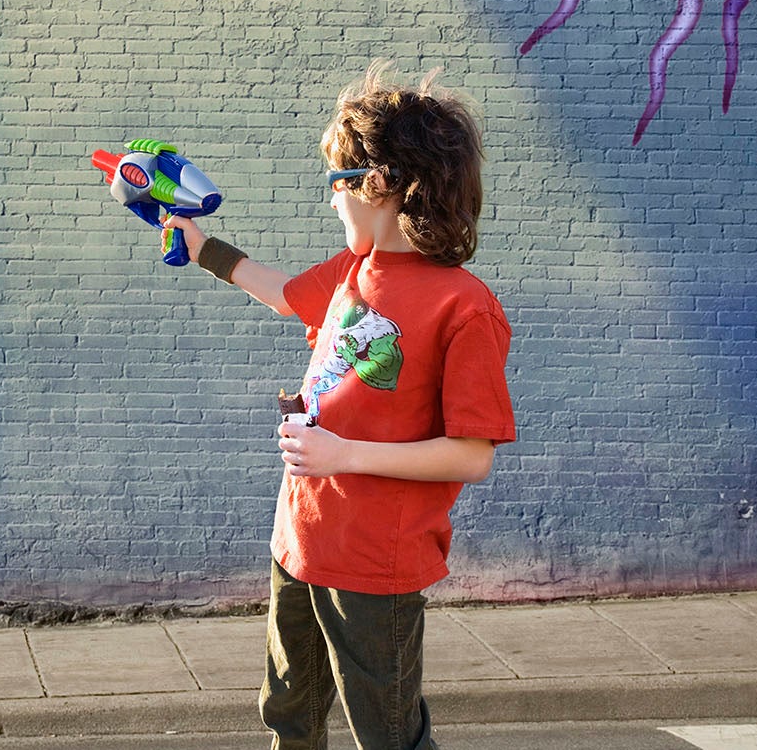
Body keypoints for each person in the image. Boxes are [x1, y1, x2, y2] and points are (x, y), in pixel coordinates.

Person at [167, 65, 515, 750]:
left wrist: (342, 454)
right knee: (289, 714)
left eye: (337, 185)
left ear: (379, 184)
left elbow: (472, 455)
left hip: (374, 563)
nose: (332, 202)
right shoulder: (354, 272)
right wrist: (205, 250)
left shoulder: (465, 307)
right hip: (300, 540)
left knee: (386, 733)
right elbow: (283, 292)